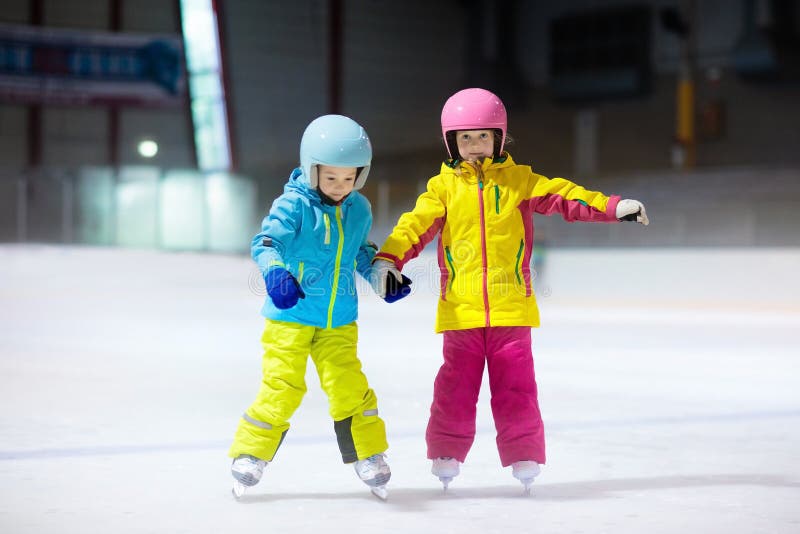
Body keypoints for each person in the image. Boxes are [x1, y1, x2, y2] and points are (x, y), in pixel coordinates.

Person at [370, 88, 649, 492]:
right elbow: (413, 227)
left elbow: (565, 197)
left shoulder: (521, 182)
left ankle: (524, 454)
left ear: (499, 138)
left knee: (517, 388)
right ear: (452, 143)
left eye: (482, 136)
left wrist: (611, 207)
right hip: (461, 312)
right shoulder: (442, 189)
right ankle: (446, 451)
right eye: (464, 138)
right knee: (454, 387)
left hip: (511, 311)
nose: (474, 146)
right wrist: (388, 260)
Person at [229, 114, 411, 500]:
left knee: (350, 387)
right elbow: (265, 244)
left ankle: (368, 454)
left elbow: (361, 252)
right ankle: (251, 453)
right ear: (311, 169)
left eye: (350, 178)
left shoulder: (359, 209)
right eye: (331, 178)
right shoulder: (293, 206)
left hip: (339, 321)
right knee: (283, 387)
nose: (340, 187)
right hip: (290, 317)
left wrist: (382, 278)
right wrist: (276, 274)